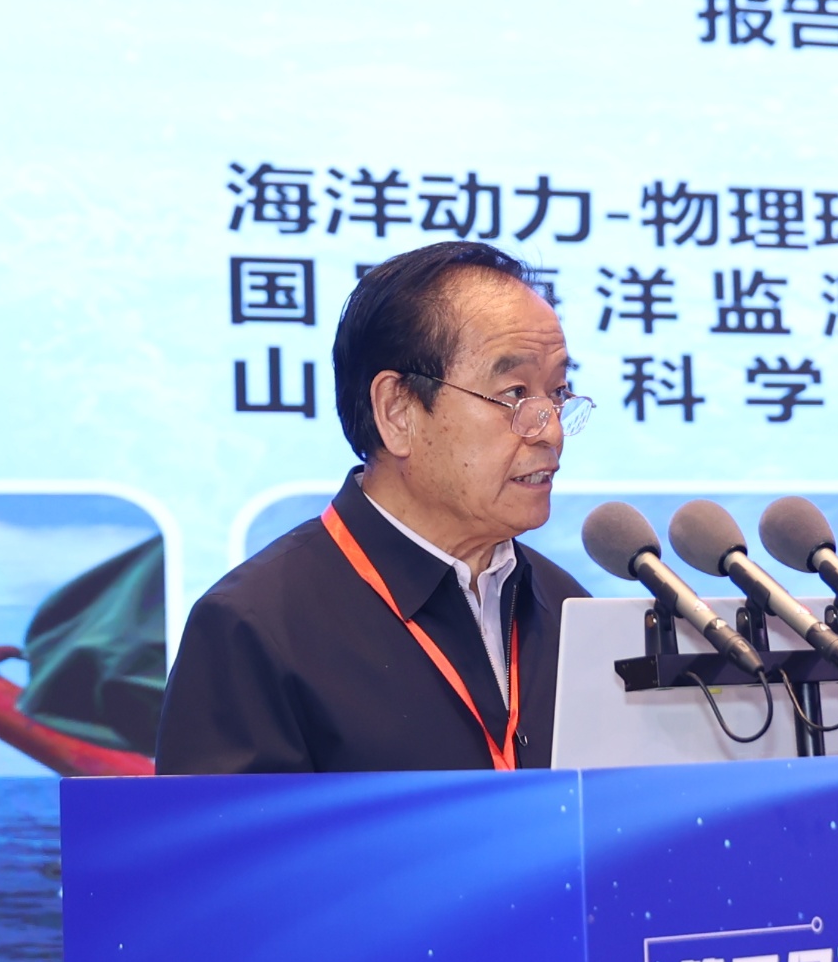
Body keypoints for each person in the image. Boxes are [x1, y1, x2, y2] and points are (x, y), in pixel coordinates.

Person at [155, 239, 594, 772]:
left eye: (558, 393)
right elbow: (229, 830)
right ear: (397, 410)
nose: (550, 430)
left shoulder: (568, 608)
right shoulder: (254, 628)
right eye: (515, 393)